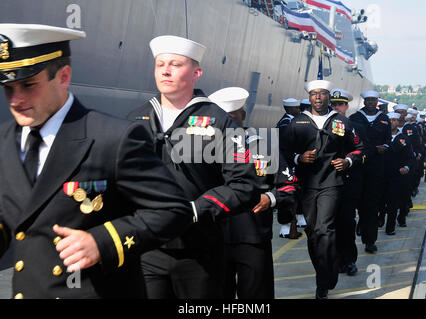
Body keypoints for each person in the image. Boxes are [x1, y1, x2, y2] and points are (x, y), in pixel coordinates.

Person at [0, 24, 194, 299]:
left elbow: (174, 209)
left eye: (29, 84)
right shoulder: (5, 140)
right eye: (8, 88)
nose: (16, 100)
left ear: (63, 77)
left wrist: (102, 242)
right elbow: (15, 214)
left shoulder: (113, 138)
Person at [127, 35, 259, 298]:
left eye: (175, 64)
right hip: (146, 247)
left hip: (199, 250)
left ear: (196, 72)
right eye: (160, 64)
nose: (165, 70)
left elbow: (244, 185)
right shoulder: (135, 120)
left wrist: (196, 210)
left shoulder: (221, 123)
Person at [209, 87, 297, 299]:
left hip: (253, 235)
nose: (227, 123)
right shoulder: (202, 149)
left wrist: (271, 198)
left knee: (257, 297)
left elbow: (290, 186)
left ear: (243, 116)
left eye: (232, 117)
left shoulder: (264, 145)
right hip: (213, 237)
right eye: (223, 118)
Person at [281, 80, 364, 299]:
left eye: (323, 94)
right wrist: (300, 158)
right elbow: (283, 152)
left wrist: (347, 161)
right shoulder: (297, 122)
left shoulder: (342, 122)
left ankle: (324, 282)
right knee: (313, 232)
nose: (318, 97)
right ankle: (325, 269)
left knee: (325, 229)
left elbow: (359, 149)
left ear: (328, 97)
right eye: (314, 94)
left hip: (332, 183)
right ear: (310, 98)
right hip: (306, 184)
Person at [349, 90, 390, 254]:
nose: (371, 103)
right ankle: (362, 222)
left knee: (372, 204)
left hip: (376, 167)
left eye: (374, 100)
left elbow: (388, 140)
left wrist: (385, 147)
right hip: (358, 166)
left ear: (377, 101)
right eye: (368, 100)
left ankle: (370, 240)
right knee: (357, 201)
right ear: (364, 101)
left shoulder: (384, 119)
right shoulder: (354, 118)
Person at [330, 88, 361, 276]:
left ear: (346, 106)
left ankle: (349, 260)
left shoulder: (353, 125)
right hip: (326, 183)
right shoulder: (322, 125)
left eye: (340, 104)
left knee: (347, 224)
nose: (336, 107)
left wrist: (348, 161)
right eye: (333, 104)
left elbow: (361, 152)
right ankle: (332, 261)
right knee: (327, 227)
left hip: (347, 182)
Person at [378, 112, 415, 234]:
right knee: (380, 200)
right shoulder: (381, 136)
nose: (392, 122)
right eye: (390, 120)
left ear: (398, 122)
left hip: (396, 175)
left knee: (393, 202)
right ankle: (380, 218)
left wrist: (406, 167)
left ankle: (390, 227)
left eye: (395, 120)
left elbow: (410, 157)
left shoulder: (404, 138)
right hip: (381, 174)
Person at [276, 98, 302, 239]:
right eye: (297, 108)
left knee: (293, 194)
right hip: (286, 164)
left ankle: (290, 225)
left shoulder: (286, 121)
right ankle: (285, 227)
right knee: (286, 194)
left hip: (287, 162)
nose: (299, 110)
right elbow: (287, 146)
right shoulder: (286, 124)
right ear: (290, 109)